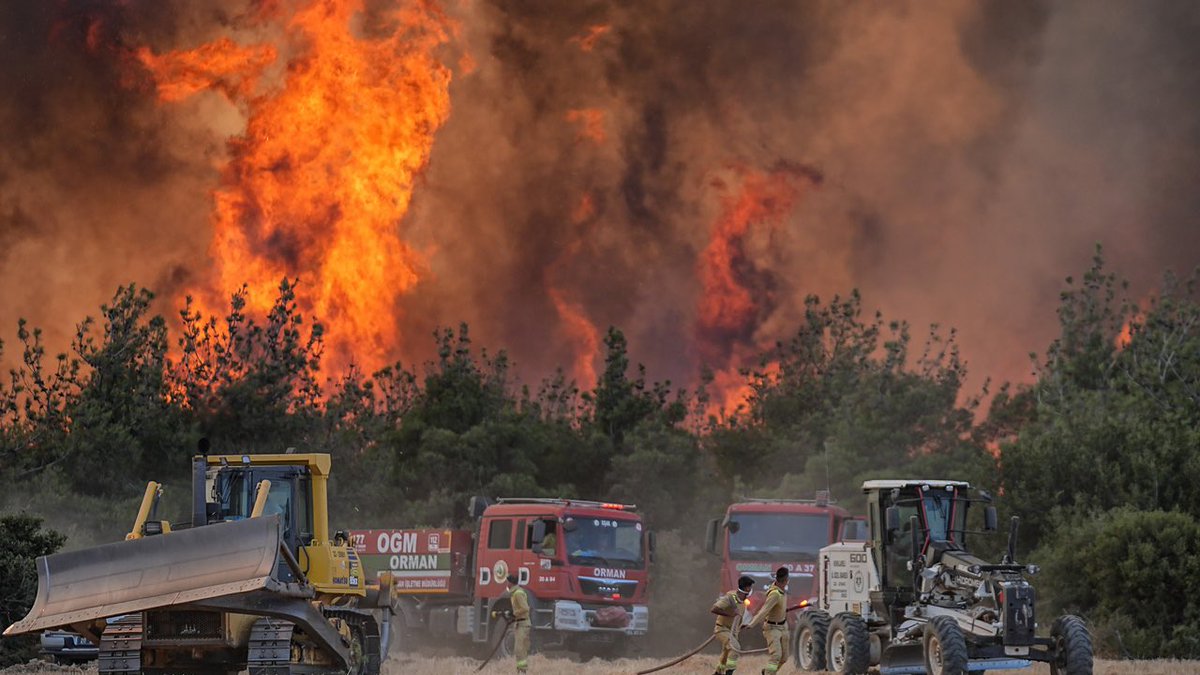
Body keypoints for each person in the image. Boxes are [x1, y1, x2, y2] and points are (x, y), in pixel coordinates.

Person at [746, 567, 790, 675]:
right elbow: (764, 611)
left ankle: (767, 672)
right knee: (776, 656)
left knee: (784, 657)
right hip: (772, 628)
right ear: (786, 581)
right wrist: (751, 624)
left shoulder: (782, 592)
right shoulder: (774, 594)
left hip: (783, 627)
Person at [710, 575, 755, 675]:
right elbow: (714, 609)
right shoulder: (730, 598)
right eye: (750, 587)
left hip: (733, 632)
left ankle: (718, 672)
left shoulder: (742, 601)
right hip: (722, 629)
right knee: (735, 648)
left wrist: (743, 625)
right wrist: (730, 614)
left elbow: (739, 617)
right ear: (747, 588)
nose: (751, 590)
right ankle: (729, 672)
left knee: (725, 655)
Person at [506, 574, 531, 673]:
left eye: (507, 582)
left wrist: (514, 613)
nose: (507, 584)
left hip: (523, 624)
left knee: (519, 649)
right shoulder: (515, 593)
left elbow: (525, 608)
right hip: (520, 623)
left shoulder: (517, 593)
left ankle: (522, 671)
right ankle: (521, 670)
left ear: (511, 583)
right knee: (519, 649)